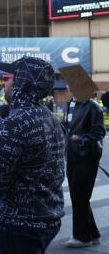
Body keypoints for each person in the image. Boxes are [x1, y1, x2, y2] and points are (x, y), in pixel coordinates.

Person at [0, 56, 66, 254]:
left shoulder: (13, 123)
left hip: (21, 223)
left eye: (9, 77)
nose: (4, 82)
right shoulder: (52, 120)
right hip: (49, 217)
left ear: (23, 82)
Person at [60, 85, 105, 248]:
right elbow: (66, 127)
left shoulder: (93, 106)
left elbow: (99, 132)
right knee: (79, 196)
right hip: (72, 156)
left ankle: (82, 237)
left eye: (73, 86)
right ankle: (92, 234)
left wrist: (82, 139)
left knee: (80, 196)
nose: (71, 90)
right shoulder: (72, 104)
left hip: (87, 157)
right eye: (69, 87)